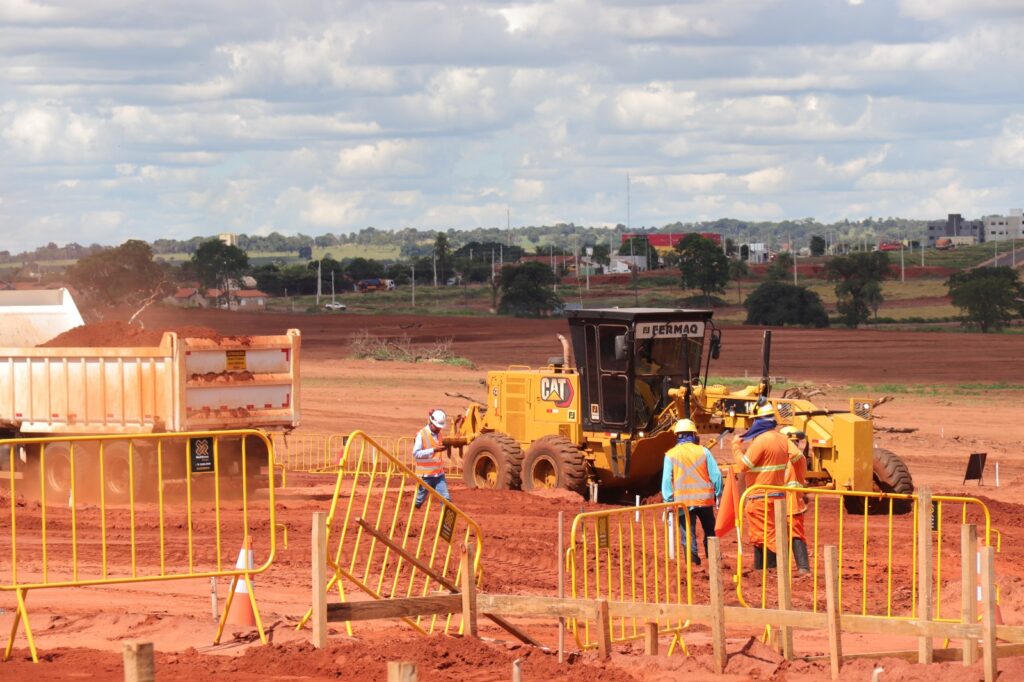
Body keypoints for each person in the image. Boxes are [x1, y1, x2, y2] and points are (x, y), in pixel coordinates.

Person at [732, 403, 790, 570]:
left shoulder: (762, 441)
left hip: (760, 496)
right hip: (777, 495)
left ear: (758, 420)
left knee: (763, 536)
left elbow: (743, 465)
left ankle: (769, 572)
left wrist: (736, 447)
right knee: (772, 533)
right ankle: (767, 570)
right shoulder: (781, 438)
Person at [662, 418, 723, 565]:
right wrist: (718, 494)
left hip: (684, 503)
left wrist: (668, 502)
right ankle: (714, 561)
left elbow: (666, 481)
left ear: (677, 435)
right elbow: (717, 475)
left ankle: (693, 565)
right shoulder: (704, 451)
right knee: (710, 531)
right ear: (694, 434)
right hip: (705, 501)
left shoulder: (670, 454)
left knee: (688, 535)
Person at [780, 426, 811, 575]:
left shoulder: (799, 459)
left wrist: (784, 441)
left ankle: (803, 568)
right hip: (779, 504)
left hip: (793, 504)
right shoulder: (781, 460)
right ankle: (781, 568)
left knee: (796, 534)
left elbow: (795, 453)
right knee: (780, 537)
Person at [412, 409, 451, 508]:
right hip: (425, 476)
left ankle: (445, 522)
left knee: (446, 499)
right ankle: (413, 509)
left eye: (440, 427)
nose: (439, 429)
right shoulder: (421, 434)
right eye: (437, 427)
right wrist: (433, 450)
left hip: (439, 474)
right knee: (418, 501)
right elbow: (416, 454)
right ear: (431, 423)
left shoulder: (439, 434)